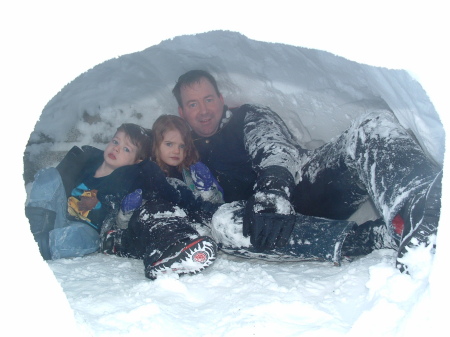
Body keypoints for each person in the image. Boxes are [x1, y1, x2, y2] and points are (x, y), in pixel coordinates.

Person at [171, 69, 442, 274]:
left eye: (208, 99)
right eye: (193, 104)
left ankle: (423, 209)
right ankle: (378, 237)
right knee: (222, 222)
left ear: (220, 99)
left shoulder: (246, 116)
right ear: (182, 112)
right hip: (264, 227)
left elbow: (272, 145)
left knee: (371, 127)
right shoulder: (182, 150)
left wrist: (273, 189)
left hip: (304, 187)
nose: (204, 110)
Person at [26, 123, 218, 280]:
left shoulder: (125, 180)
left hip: (89, 229)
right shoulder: (85, 163)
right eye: (115, 141)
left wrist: (105, 208)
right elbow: (55, 188)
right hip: (59, 216)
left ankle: (38, 247)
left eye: (126, 149)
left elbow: (121, 214)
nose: (116, 148)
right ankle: (33, 228)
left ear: (136, 161)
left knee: (75, 238)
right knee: (48, 175)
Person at [151, 114, 224, 204]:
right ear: (156, 144)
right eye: (169, 144)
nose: (177, 151)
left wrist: (207, 191)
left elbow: (219, 204)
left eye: (182, 146)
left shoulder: (192, 171)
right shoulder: (149, 172)